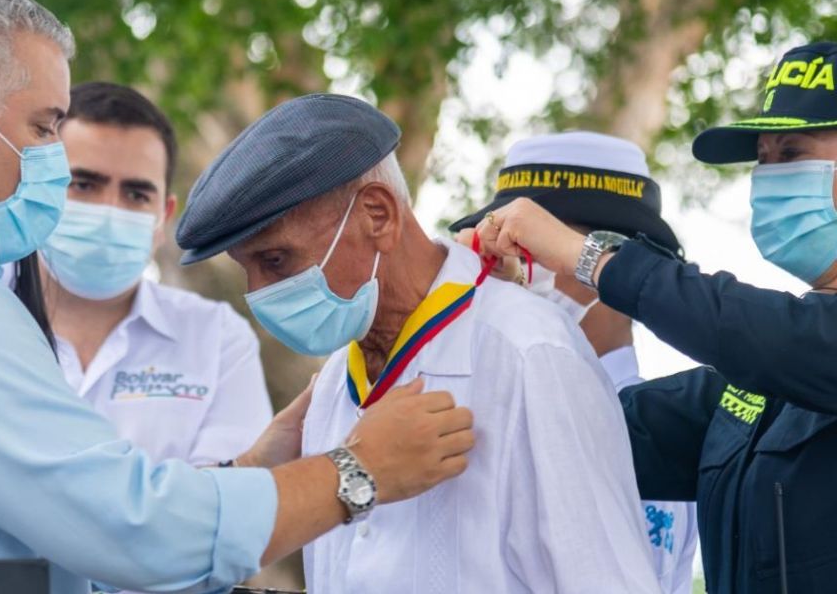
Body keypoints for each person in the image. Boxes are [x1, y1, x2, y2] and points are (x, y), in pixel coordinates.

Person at [0, 0, 478, 593]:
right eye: (45, 127)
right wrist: (353, 474)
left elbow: (57, 524)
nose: (54, 159)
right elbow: (129, 532)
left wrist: (249, 473)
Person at [175, 93, 660, 593]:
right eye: (247, 270)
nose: (258, 293)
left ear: (377, 215)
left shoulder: (526, 349)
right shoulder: (332, 386)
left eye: (276, 261)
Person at [473, 41, 837, 594]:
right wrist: (465, 302)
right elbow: (573, 427)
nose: (767, 180)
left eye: (790, 155)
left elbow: (744, 326)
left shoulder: (787, 346)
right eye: (762, 159)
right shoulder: (754, 388)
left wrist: (583, 256)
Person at [451, 131, 699, 594]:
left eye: (527, 246)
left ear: (611, 258)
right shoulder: (481, 396)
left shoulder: (661, 430)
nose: (506, 266)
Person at [7, 82, 272, 466]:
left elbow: (226, 507)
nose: (109, 212)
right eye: (83, 184)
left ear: (163, 215)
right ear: (40, 189)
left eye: (135, 195)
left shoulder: (216, 340)